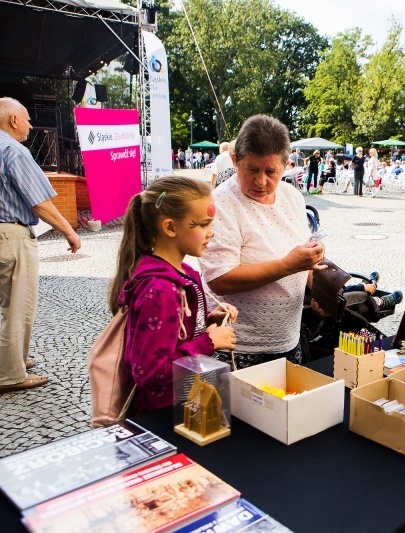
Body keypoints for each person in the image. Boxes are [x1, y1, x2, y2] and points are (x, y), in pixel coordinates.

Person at [199, 115, 326, 368]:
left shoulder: (291, 196)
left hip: (288, 341)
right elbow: (220, 279)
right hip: (238, 349)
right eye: (252, 170)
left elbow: (305, 255)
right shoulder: (220, 204)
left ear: (286, 165)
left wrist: (320, 287)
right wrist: (289, 265)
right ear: (235, 161)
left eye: (271, 171)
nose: (261, 181)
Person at [108, 177, 237, 415]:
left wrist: (209, 320)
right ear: (169, 227)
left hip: (185, 401)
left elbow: (174, 331)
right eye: (202, 225)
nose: (211, 233)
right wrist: (209, 342)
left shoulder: (183, 273)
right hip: (163, 414)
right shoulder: (159, 290)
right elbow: (150, 371)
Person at [0, 97, 82, 392]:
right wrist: (69, 231)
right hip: (10, 235)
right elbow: (40, 202)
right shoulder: (13, 150)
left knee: (8, 303)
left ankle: (13, 360)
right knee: (18, 304)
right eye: (26, 119)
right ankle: (10, 373)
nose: (30, 125)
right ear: (12, 121)